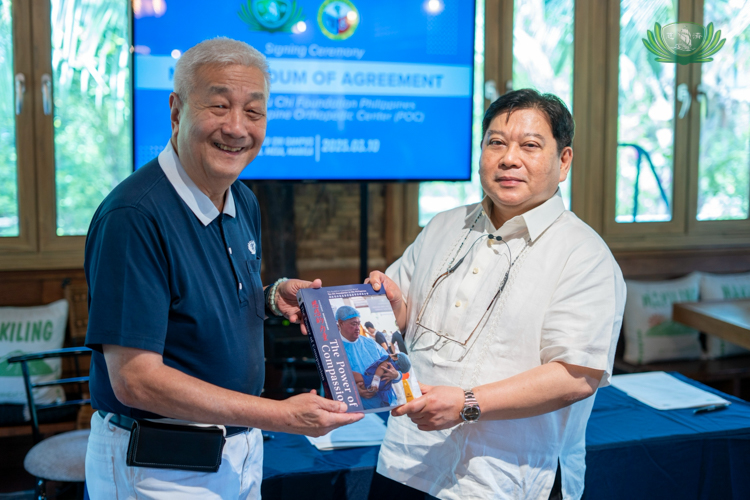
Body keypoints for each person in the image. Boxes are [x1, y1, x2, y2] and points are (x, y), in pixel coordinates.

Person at [83, 37, 361, 499]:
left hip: (238, 454)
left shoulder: (242, 199)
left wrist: (270, 297)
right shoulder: (134, 216)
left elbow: (206, 297)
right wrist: (280, 415)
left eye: (254, 112)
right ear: (176, 111)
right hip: (158, 467)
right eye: (218, 106)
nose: (237, 127)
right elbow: (135, 379)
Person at [367, 89, 626, 500]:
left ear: (564, 162)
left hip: (505, 479)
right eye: (496, 143)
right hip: (408, 462)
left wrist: (467, 403)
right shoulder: (444, 226)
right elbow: (401, 320)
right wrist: (393, 304)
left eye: (530, 145)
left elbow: (577, 375)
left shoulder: (583, 254)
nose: (509, 158)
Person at [336, 306, 401, 410]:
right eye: (353, 324)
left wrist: (396, 375)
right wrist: (353, 391)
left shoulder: (370, 343)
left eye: (358, 323)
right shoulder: (334, 348)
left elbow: (391, 364)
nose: (358, 328)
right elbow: (334, 380)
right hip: (362, 411)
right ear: (341, 323)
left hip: (389, 404)